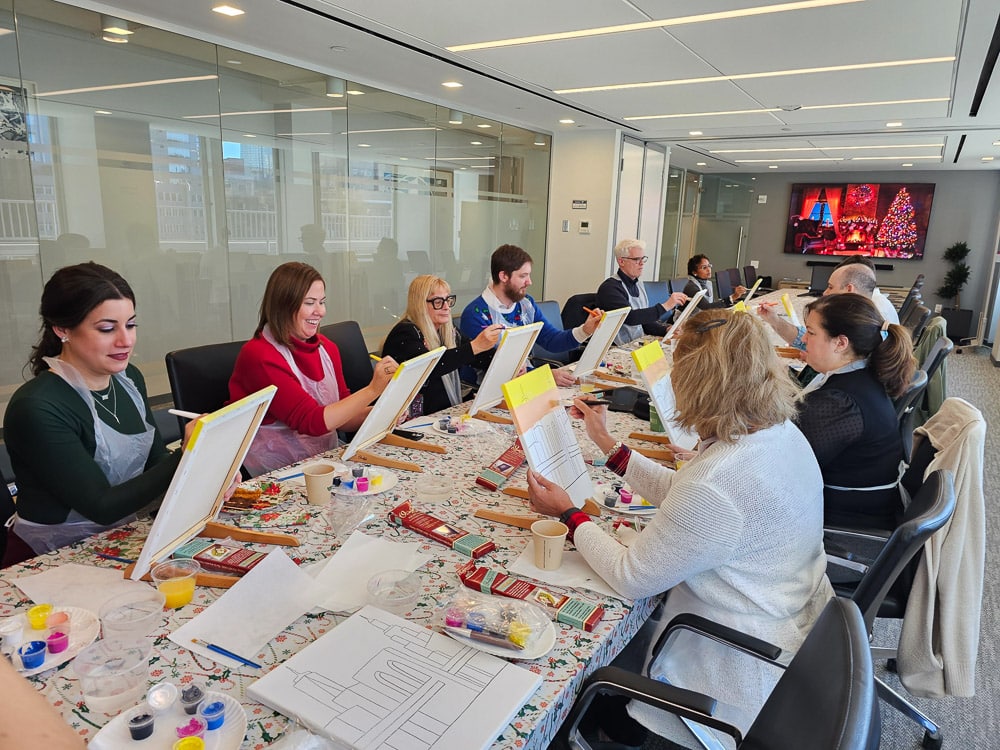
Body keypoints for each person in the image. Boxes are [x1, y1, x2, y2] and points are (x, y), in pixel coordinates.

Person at [527, 309, 832, 743]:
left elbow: (631, 577)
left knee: (576, 684)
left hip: (727, 667)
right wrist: (611, 448)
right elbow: (685, 491)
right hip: (788, 622)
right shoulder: (777, 432)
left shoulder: (719, 482)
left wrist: (569, 515)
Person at [3, 263, 191, 555]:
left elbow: (154, 460)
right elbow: (101, 506)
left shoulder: (129, 380)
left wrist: (206, 466)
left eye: (130, 325)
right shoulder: (37, 407)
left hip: (121, 533)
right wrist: (187, 455)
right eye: (107, 328)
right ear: (62, 329)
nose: (125, 340)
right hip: (53, 552)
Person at [228, 262, 398, 476]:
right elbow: (313, 422)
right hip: (275, 476)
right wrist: (373, 390)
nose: (321, 312)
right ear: (283, 306)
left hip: (322, 465)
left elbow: (343, 418)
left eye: (322, 302)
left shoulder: (327, 348)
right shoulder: (259, 356)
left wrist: (387, 411)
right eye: (310, 303)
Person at [796, 293, 915, 529]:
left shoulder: (840, 403)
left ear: (840, 343)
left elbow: (785, 464)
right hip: (864, 506)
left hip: (843, 520)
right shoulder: (862, 376)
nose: (804, 340)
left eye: (810, 333)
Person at [460, 244, 602, 387]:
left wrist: (585, 330)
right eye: (523, 276)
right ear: (503, 276)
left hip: (524, 382)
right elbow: (495, 366)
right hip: (487, 392)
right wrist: (544, 376)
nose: (529, 282)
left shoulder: (526, 304)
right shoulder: (475, 314)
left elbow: (552, 340)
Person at [381, 275, 502, 415]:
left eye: (448, 300)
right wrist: (476, 346)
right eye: (438, 302)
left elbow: (477, 358)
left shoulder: (448, 332)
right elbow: (431, 367)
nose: (446, 307)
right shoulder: (406, 333)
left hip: (442, 414)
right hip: (409, 418)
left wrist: (507, 362)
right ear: (420, 304)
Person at [759, 260, 898, 349]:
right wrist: (774, 320)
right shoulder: (861, 317)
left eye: (831, 287)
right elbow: (804, 340)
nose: (825, 293)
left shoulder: (861, 330)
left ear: (849, 289)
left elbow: (806, 343)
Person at [596, 239, 688, 345]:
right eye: (636, 259)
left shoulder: (638, 284)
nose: (641, 264)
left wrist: (665, 330)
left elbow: (644, 321)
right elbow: (630, 318)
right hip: (616, 346)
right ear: (621, 261)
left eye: (643, 259)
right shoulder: (610, 288)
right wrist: (666, 306)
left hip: (635, 342)